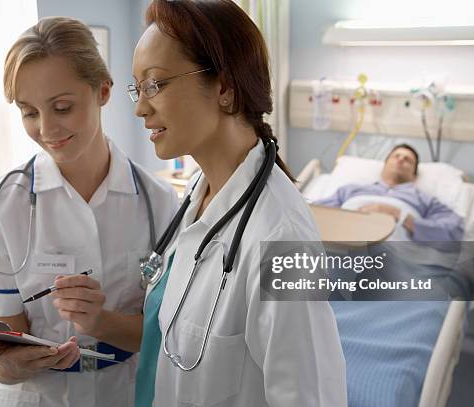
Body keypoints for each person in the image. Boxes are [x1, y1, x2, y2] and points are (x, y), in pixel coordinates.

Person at [130, 1, 347, 406]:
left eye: (155, 85)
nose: (140, 107)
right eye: (137, 88)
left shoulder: (281, 239)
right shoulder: (199, 196)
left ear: (225, 89)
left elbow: (310, 395)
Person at [0, 16, 177, 407]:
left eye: (62, 107)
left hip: (126, 391)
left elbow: (167, 332)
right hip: (38, 395)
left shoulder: (159, 202)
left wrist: (100, 321)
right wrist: (14, 364)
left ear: (103, 91)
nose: (46, 129)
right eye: (29, 112)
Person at [316, 143, 464, 244]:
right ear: (384, 165)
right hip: (341, 242)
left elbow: (454, 230)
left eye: (408, 160)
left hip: (391, 252)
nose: (400, 160)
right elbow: (314, 214)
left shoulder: (424, 200)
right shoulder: (350, 190)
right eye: (396, 156)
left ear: (414, 174)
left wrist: (403, 217)